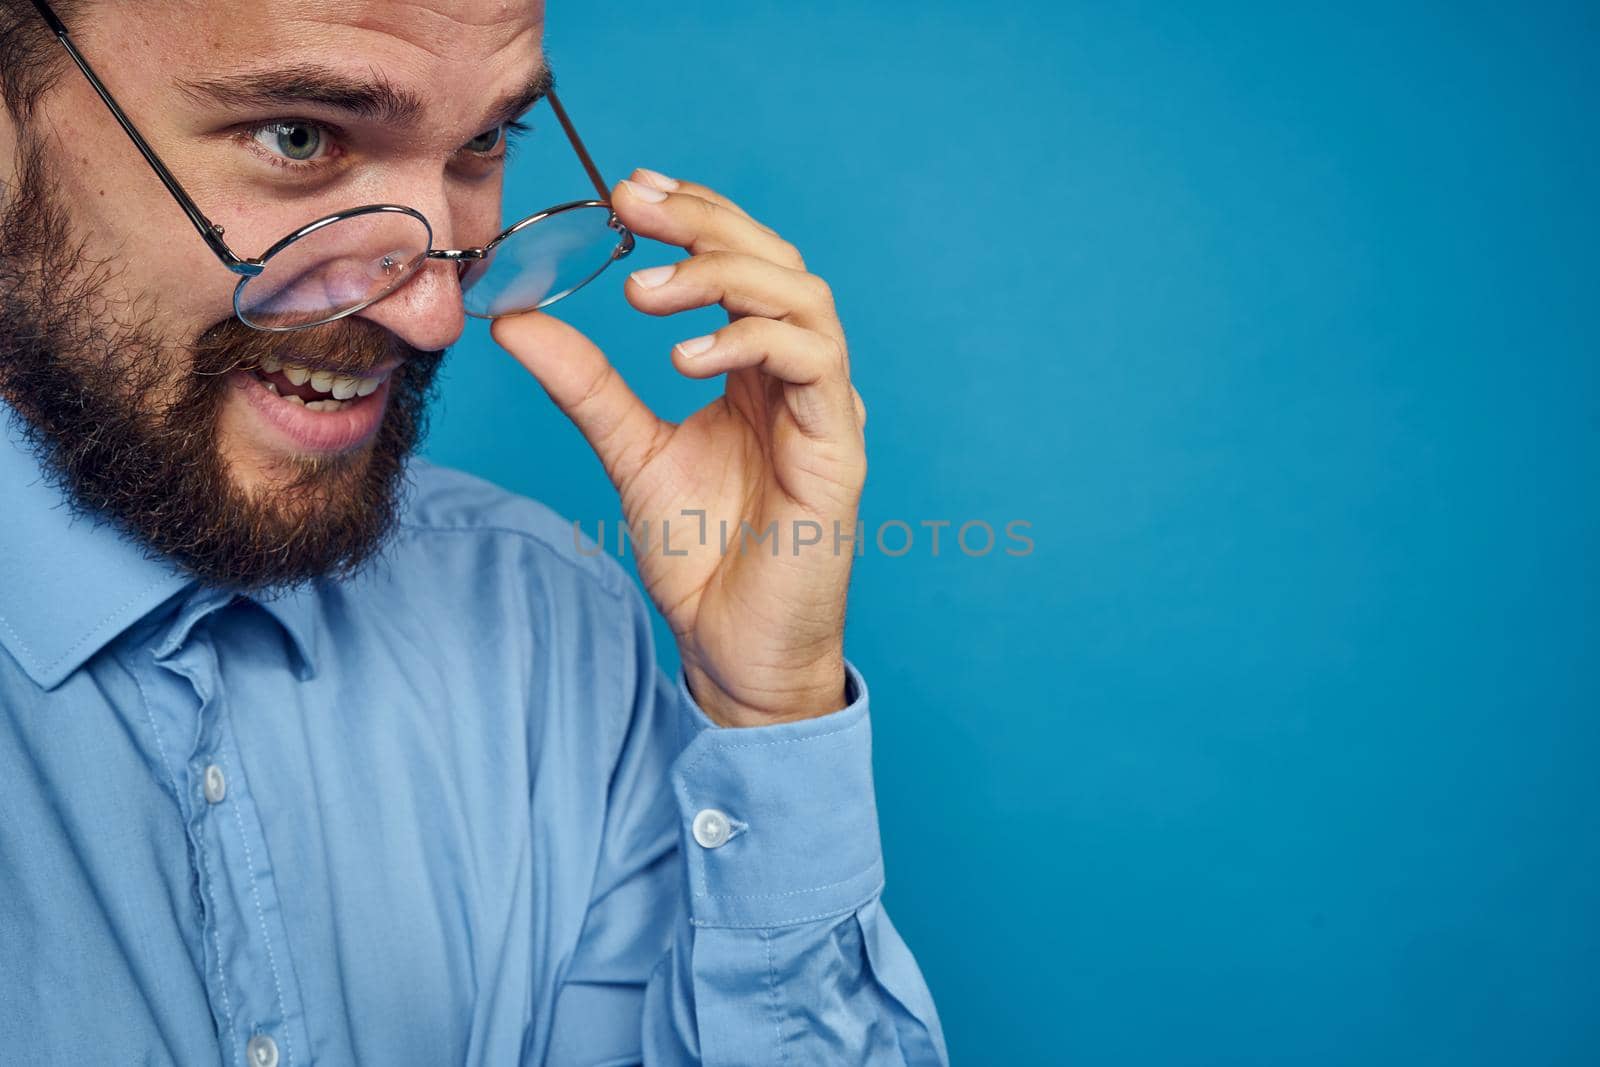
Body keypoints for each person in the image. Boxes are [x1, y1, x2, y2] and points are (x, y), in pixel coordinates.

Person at [0, 1, 947, 1063]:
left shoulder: (542, 616)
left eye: (483, 142)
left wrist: (766, 713)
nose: (435, 314)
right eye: (299, 137)